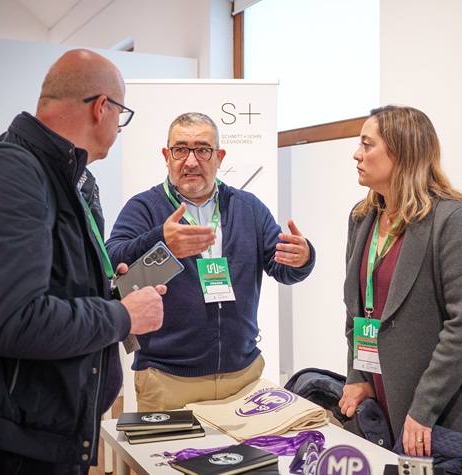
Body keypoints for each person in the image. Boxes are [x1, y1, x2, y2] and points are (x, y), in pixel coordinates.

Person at [0, 49, 168, 475]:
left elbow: (49, 286)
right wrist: (122, 316)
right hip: (11, 445)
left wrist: (107, 291)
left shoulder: (65, 177)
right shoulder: (9, 174)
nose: (119, 127)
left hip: (46, 431)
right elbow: (12, 322)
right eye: (121, 114)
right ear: (101, 108)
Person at [105, 112, 315, 411]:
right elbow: (112, 259)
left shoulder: (248, 207)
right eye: (180, 150)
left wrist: (302, 258)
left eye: (202, 150)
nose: (191, 161)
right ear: (166, 156)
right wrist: (160, 240)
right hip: (168, 380)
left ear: (219, 157)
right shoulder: (145, 207)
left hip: (243, 376)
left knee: (251, 445)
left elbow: (282, 269)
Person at [338, 105, 462, 457]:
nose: (356, 154)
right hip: (384, 399)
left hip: (446, 414)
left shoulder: (453, 220)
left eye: (367, 144)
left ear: (401, 152)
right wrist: (358, 376)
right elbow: (357, 310)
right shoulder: (362, 217)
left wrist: (423, 410)